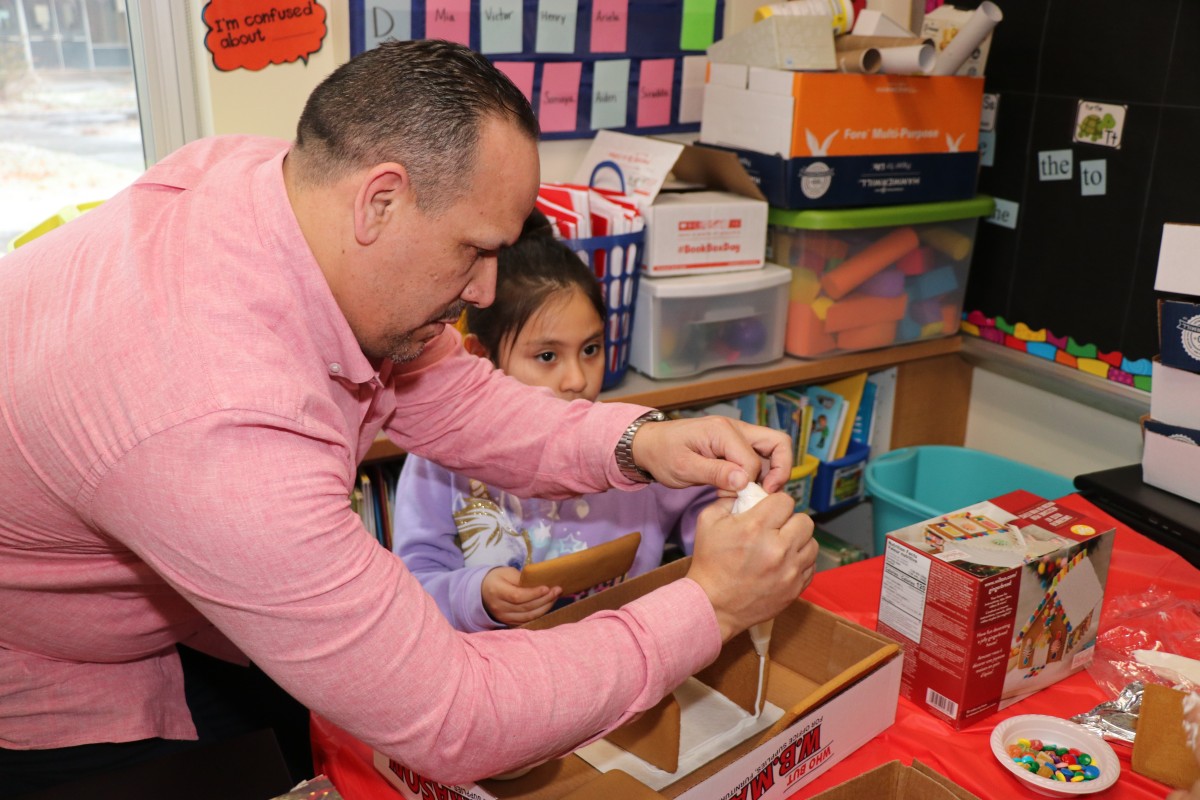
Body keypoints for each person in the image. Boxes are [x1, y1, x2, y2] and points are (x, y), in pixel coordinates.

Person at [0, 39, 817, 794]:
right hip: (61, 680)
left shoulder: (280, 189)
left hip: (185, 606)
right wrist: (708, 606)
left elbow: (449, 393)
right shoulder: (220, 425)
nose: (488, 292)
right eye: (475, 250)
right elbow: (455, 716)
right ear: (380, 202)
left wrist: (639, 440)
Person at [393, 214, 717, 630]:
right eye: (547, 356)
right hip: (500, 673)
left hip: (621, 659)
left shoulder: (630, 443)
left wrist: (723, 527)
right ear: (477, 356)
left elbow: (704, 499)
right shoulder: (437, 463)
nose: (577, 379)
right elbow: (416, 584)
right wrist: (478, 595)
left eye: (591, 349)